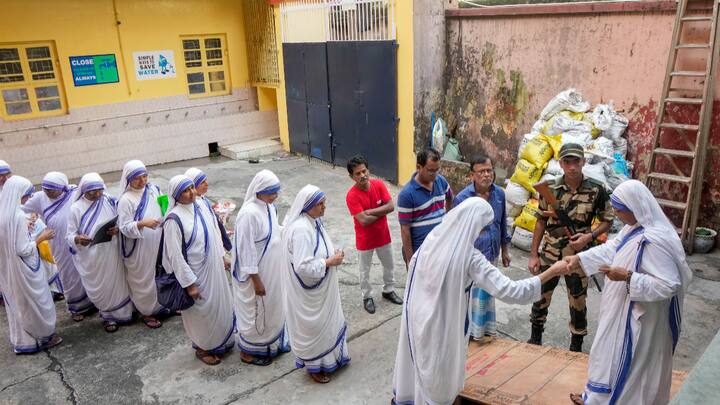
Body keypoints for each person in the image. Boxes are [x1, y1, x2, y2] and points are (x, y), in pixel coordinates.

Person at [391, 197, 572, 405]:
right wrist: (551, 271)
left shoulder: (431, 242)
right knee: (440, 379)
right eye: (482, 228)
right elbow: (511, 291)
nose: (481, 234)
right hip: (443, 329)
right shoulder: (469, 258)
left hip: (417, 320)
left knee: (418, 370)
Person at [565, 180, 692, 405]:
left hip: (642, 319)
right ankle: (595, 399)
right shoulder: (634, 228)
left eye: (619, 209)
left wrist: (628, 277)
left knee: (631, 366)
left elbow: (668, 285)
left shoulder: (655, 241)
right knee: (607, 354)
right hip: (621, 308)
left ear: (634, 208)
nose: (615, 213)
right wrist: (580, 259)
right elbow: (613, 248)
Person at [527, 143, 613, 352]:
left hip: (579, 255)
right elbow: (540, 221)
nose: (572, 167)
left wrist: (589, 236)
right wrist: (533, 255)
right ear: (561, 163)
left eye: (576, 161)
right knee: (540, 296)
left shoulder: (596, 189)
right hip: (550, 253)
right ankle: (535, 338)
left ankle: (576, 345)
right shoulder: (551, 189)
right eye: (567, 162)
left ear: (583, 162)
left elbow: (607, 219)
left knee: (578, 302)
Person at [162, 175, 235, 366]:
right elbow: (175, 256)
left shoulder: (199, 207)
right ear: (176, 196)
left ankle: (220, 341)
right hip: (196, 275)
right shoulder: (173, 219)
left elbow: (213, 233)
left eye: (192, 188)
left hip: (213, 269)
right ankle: (203, 347)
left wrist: (221, 256)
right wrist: (189, 284)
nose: (191, 193)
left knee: (218, 307)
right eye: (185, 191)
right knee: (201, 314)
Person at [282, 185, 349, 383]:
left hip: (323, 287)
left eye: (324, 202)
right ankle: (315, 366)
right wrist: (329, 262)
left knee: (328, 326)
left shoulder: (314, 221)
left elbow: (319, 249)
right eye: (320, 204)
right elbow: (303, 266)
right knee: (316, 328)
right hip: (310, 295)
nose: (324, 207)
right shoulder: (302, 229)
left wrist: (333, 253)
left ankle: (331, 359)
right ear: (308, 205)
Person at [231, 169, 289, 366]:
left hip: (273, 271)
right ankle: (248, 351)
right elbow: (246, 250)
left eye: (276, 191)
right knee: (256, 311)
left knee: (272, 308)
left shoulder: (268, 207)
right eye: (272, 192)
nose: (275, 196)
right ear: (259, 191)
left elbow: (274, 231)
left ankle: (270, 345)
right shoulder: (248, 214)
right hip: (258, 275)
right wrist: (256, 280)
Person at [0, 175, 63, 353]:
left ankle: (25, 341)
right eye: (26, 195)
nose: (28, 199)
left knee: (19, 304)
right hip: (24, 269)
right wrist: (41, 237)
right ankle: (41, 337)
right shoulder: (18, 217)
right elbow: (23, 249)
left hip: (10, 269)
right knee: (34, 303)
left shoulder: (4, 214)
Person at [453, 155, 512, 339]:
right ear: (472, 175)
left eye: (489, 170)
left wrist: (505, 250)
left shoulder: (499, 194)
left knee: (487, 293)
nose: (487, 175)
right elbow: (457, 231)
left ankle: (483, 331)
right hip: (472, 256)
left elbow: (502, 223)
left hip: (492, 253)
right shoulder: (463, 198)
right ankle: (468, 333)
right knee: (471, 297)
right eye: (481, 172)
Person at [23, 172, 95, 320]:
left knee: (86, 270)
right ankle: (77, 307)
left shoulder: (75, 192)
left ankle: (94, 301)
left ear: (63, 187)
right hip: (59, 244)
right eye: (45, 189)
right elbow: (18, 209)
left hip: (78, 240)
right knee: (68, 274)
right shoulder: (40, 198)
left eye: (51, 190)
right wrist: (26, 219)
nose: (47, 192)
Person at [67, 173, 134, 333]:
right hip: (91, 256)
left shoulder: (109, 200)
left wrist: (117, 229)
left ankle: (125, 313)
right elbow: (69, 235)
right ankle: (107, 315)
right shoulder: (76, 209)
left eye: (99, 190)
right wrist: (77, 238)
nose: (97, 194)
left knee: (118, 282)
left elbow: (122, 222)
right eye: (92, 192)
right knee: (102, 288)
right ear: (84, 191)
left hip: (111, 251)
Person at [345, 155, 402, 314]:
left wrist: (370, 211)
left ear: (368, 170)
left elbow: (391, 206)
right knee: (364, 271)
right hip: (365, 240)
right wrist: (381, 212)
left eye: (364, 171)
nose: (362, 175)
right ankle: (367, 296)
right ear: (351, 177)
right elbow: (363, 221)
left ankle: (388, 290)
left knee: (389, 265)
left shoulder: (379, 185)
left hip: (383, 235)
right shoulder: (351, 196)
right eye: (358, 173)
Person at [117, 160, 166, 329]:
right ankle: (147, 311)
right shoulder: (126, 200)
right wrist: (142, 223)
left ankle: (164, 305)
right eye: (137, 178)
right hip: (139, 247)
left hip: (158, 240)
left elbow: (163, 206)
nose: (142, 181)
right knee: (143, 279)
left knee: (160, 272)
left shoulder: (153, 189)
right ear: (128, 179)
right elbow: (124, 227)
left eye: (144, 176)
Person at [397, 148, 454, 265]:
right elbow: (405, 229)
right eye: (430, 171)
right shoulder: (407, 194)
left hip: (440, 247)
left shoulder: (441, 181)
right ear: (419, 167)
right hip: (420, 251)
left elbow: (450, 197)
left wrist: (448, 218)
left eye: (437, 169)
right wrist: (410, 259)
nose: (435, 174)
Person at [185, 168, 232, 251]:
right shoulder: (192, 206)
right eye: (202, 182)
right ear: (193, 186)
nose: (207, 184)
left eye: (206, 180)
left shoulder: (203, 199)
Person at [0, 159, 12, 306]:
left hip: (13, 232)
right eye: (0, 175)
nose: (5, 178)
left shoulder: (14, 187)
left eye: (7, 174)